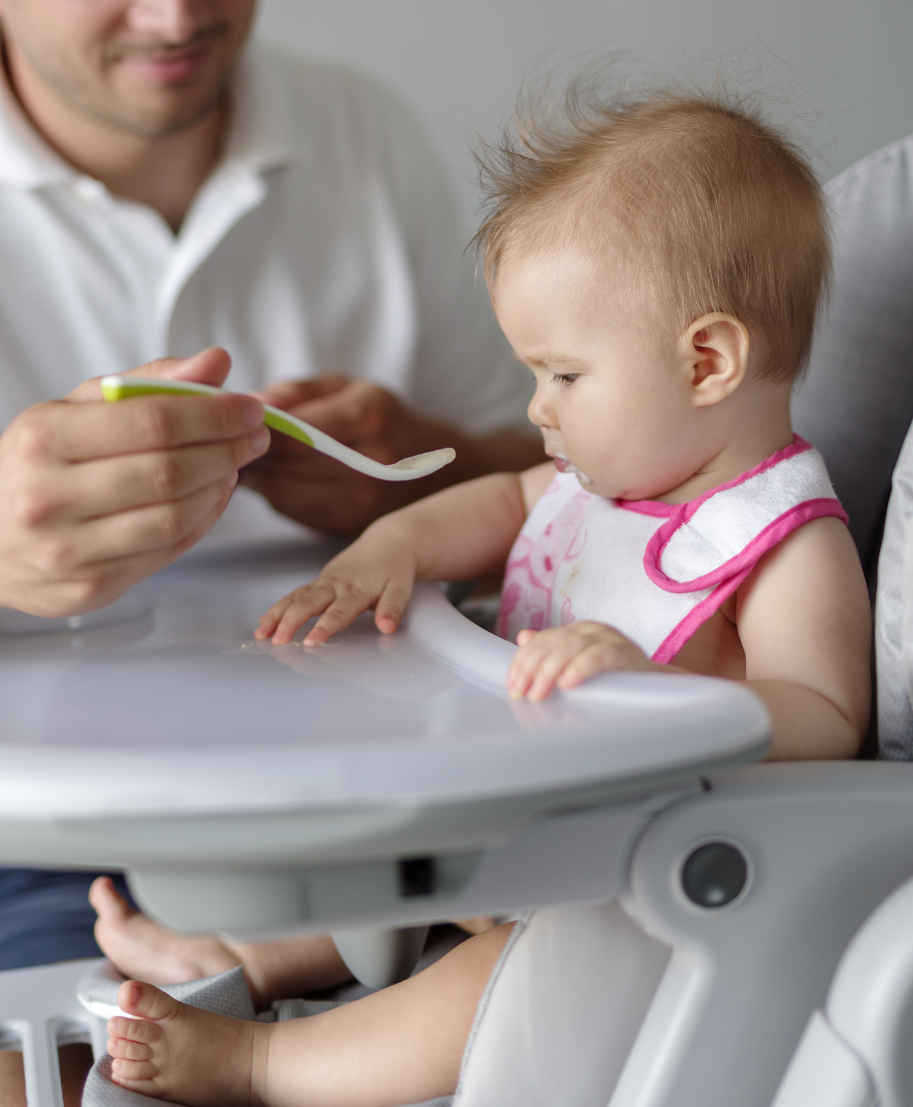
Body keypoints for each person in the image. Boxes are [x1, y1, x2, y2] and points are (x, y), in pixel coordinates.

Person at [0, 0, 541, 1070]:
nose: (177, 6)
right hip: (8, 861)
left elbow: (562, 479)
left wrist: (419, 478)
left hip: (394, 839)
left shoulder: (366, 141)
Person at [94, 85, 872, 1106]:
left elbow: (825, 718)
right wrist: (391, 547)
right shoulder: (607, 487)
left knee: (494, 983)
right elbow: (501, 500)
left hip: (646, 888)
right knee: (383, 859)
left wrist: (650, 688)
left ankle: (262, 1066)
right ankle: (248, 954)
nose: (536, 408)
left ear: (707, 362)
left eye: (564, 376)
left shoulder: (780, 541)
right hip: (525, 831)